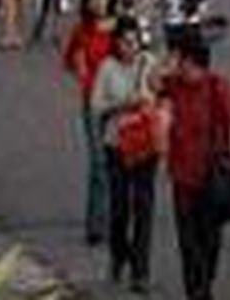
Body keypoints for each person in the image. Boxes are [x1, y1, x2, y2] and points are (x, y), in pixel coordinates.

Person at [157, 27, 230, 300]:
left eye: (178, 58)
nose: (175, 63)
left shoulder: (217, 85)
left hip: (210, 174)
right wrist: (167, 64)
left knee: (209, 237)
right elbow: (152, 82)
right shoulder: (173, 84)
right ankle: (197, 291)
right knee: (187, 240)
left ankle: (204, 284)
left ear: (190, 59)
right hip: (182, 175)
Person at [91, 16, 160, 292]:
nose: (129, 48)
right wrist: (124, 103)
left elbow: (162, 94)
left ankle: (140, 271)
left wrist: (151, 101)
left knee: (144, 208)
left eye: (133, 42)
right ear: (116, 43)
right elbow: (96, 106)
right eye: (124, 42)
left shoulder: (150, 63)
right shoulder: (107, 68)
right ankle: (119, 255)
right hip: (117, 145)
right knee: (119, 209)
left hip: (145, 145)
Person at [63, 0, 118, 245]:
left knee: (114, 163)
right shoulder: (82, 30)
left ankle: (110, 220)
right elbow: (71, 58)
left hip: (118, 103)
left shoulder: (119, 29)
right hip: (93, 103)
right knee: (98, 163)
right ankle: (96, 225)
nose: (98, 2)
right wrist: (81, 70)